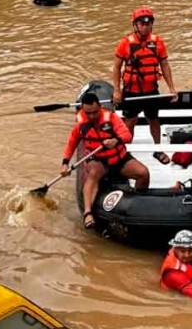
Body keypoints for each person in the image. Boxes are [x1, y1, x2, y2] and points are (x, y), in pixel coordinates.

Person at [61, 92, 150, 230]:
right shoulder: (81, 124)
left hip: (118, 159)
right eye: (88, 113)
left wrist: (116, 140)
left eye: (95, 112)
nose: (91, 116)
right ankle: (88, 213)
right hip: (97, 160)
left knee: (143, 173)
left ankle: (138, 202)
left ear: (100, 107)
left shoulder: (111, 118)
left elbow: (126, 135)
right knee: (93, 174)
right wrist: (65, 163)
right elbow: (71, 144)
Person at [112, 7, 178, 165]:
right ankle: (126, 152)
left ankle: (158, 149)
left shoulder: (158, 42)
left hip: (151, 90)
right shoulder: (125, 44)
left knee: (154, 120)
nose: (145, 26)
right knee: (130, 122)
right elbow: (116, 67)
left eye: (148, 23)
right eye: (141, 23)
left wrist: (172, 87)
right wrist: (117, 90)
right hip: (131, 90)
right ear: (135, 25)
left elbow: (164, 65)